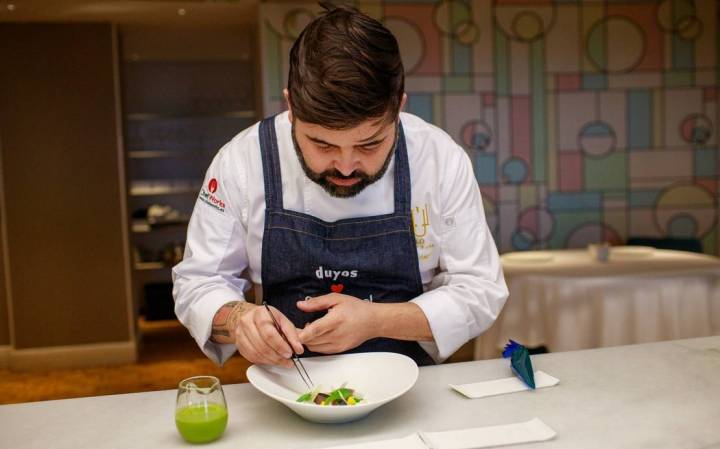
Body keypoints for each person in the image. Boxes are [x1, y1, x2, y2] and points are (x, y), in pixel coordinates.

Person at [172, 3, 508, 368]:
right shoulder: (242, 161)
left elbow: (479, 289)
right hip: (286, 387)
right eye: (323, 145)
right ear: (291, 108)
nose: (346, 167)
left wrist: (378, 320)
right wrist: (237, 321)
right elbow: (199, 282)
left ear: (399, 108)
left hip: (411, 387)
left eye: (369, 145)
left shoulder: (439, 158)